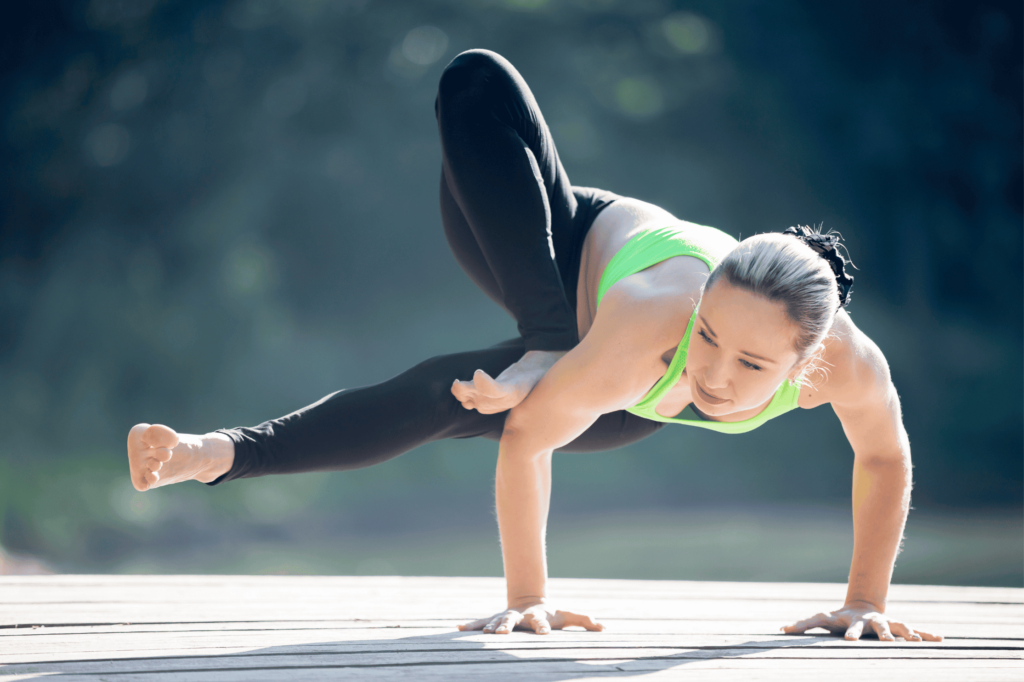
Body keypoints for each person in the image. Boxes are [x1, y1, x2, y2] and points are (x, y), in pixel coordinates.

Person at [126, 49, 942, 643]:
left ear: (808, 365)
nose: (715, 376)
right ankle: (541, 345)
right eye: (712, 337)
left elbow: (884, 458)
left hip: (620, 391)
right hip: (535, 242)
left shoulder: (850, 364)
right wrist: (529, 596)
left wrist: (865, 601)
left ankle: (211, 453)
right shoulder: (654, 319)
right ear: (700, 303)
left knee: (472, 395)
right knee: (474, 81)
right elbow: (527, 441)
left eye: (754, 365)